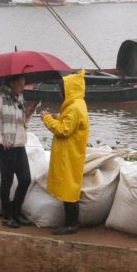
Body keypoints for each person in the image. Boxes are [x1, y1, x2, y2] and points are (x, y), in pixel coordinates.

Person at [0, 75, 37, 228]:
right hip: (5, 148)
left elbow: (22, 123)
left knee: (25, 179)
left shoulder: (20, 99)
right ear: (11, 83)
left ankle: (16, 212)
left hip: (19, 146)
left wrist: (29, 113)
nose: (23, 86)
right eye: (20, 83)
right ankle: (7, 217)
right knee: (7, 182)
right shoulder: (0, 98)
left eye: (24, 83)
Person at [42, 70, 89, 236]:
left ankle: (71, 224)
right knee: (69, 185)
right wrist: (57, 116)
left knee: (69, 188)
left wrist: (47, 119)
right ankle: (70, 222)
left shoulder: (74, 108)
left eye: (62, 89)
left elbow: (63, 130)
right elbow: (69, 121)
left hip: (69, 154)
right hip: (71, 153)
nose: (61, 92)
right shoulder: (77, 104)